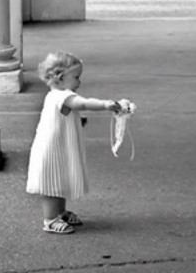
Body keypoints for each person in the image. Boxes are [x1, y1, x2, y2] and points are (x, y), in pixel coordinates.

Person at [26, 51, 124, 235]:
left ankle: (60, 212)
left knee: (59, 179)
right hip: (52, 148)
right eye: (76, 77)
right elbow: (83, 104)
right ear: (60, 78)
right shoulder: (61, 96)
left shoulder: (60, 96)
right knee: (51, 185)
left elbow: (66, 114)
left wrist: (78, 121)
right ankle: (50, 219)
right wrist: (105, 104)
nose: (80, 82)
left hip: (59, 146)